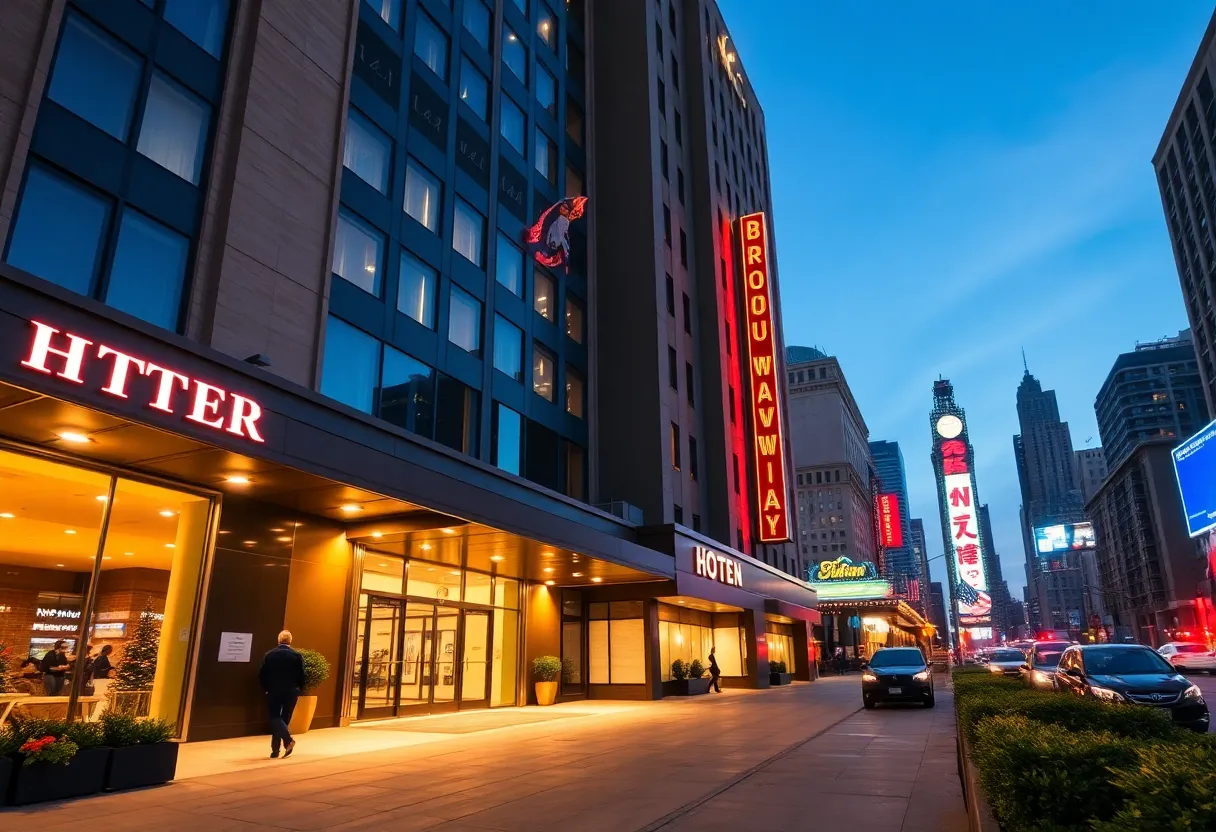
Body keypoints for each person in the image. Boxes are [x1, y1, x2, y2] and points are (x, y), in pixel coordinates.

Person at [258, 630, 305, 759]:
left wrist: (266, 688)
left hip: (273, 690)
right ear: (290, 641)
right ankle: (286, 742)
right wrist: (299, 689)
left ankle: (276, 749)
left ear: (278, 640)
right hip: (291, 691)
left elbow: (262, 674)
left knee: (274, 718)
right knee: (284, 718)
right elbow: (301, 675)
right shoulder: (296, 656)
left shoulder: (270, 655)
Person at [91, 645, 115, 716]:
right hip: (101, 679)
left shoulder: (99, 658)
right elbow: (103, 668)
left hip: (97, 678)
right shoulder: (103, 658)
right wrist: (110, 668)